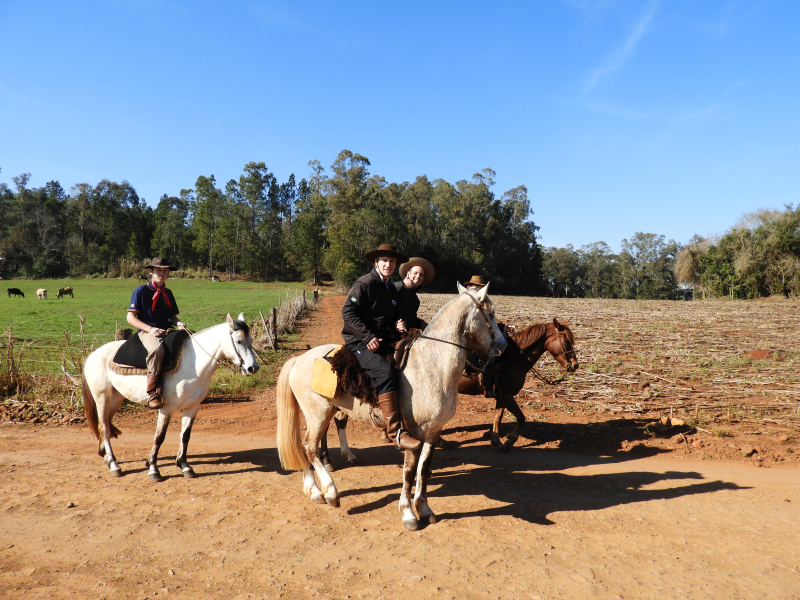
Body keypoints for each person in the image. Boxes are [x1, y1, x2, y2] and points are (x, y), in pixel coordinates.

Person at [341, 243, 421, 450]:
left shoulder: (390, 287)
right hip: (358, 340)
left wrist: (398, 322)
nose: (388, 264)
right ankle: (395, 432)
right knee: (385, 371)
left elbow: (391, 313)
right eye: (384, 260)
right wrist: (367, 337)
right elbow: (348, 312)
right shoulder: (364, 283)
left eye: (392, 261)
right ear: (376, 262)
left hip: (382, 337)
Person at [126, 258, 187, 409]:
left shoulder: (168, 293)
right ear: (151, 271)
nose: (162, 273)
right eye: (159, 270)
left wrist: (178, 323)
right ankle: (152, 392)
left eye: (165, 271)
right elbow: (130, 317)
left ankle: (186, 387)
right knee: (156, 349)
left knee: (188, 341)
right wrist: (150, 329)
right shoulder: (141, 291)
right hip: (148, 331)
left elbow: (171, 316)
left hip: (166, 329)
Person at [462, 275, 514, 398]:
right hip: (466, 336)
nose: (478, 289)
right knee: (490, 352)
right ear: (469, 287)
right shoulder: (464, 302)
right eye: (475, 286)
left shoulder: (483, 303)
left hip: (477, 334)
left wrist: (503, 327)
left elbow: (489, 321)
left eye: (480, 287)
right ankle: (488, 388)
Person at [395, 257, 435, 331]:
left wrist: (420, 323)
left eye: (421, 275)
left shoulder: (416, 300)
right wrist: (403, 284)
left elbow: (411, 318)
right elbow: (387, 290)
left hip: (406, 332)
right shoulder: (397, 288)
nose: (418, 277)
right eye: (415, 273)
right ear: (408, 274)